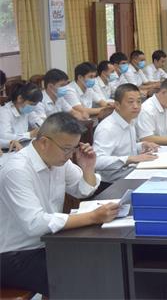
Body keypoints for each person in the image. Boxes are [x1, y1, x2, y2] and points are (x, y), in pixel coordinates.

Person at [0, 112, 118, 296]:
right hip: (13, 254)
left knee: (100, 261)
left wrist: (88, 167)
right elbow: (34, 224)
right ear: (44, 142)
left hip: (47, 243)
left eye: (73, 148)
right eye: (66, 149)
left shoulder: (57, 160)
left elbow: (82, 190)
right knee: (78, 277)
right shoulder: (17, 170)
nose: (70, 155)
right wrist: (92, 217)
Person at [93, 84, 158, 185]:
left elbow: (121, 149)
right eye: (130, 102)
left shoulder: (129, 120)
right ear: (117, 105)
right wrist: (130, 159)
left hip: (130, 173)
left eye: (139, 101)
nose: (136, 106)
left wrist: (141, 146)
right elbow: (97, 161)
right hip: (112, 183)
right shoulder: (107, 128)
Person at [0, 82, 42, 150]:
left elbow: (38, 121)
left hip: (23, 146)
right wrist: (29, 134)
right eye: (32, 104)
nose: (33, 107)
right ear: (20, 98)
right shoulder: (4, 112)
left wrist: (43, 127)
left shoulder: (26, 110)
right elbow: (4, 137)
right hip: (8, 150)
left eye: (35, 105)